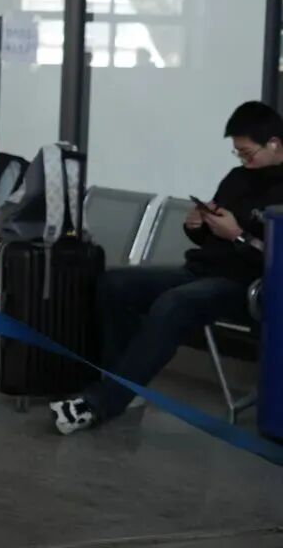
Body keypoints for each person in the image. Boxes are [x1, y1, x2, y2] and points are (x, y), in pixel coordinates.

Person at [52, 101, 283, 435]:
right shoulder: (238, 178)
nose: (243, 161)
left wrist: (238, 236)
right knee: (114, 284)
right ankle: (125, 387)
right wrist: (197, 225)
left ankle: (101, 402)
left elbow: (274, 258)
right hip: (202, 270)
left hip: (246, 283)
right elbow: (210, 238)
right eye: (238, 153)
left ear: (274, 143)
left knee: (174, 304)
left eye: (247, 153)